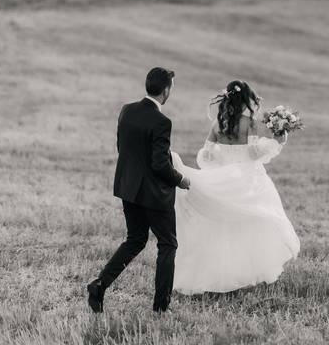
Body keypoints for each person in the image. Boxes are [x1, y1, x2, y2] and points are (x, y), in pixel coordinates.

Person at [169, 80, 299, 294]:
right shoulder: (250, 123)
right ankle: (246, 273)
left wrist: (222, 166)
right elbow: (254, 153)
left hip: (223, 180)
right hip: (247, 180)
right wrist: (278, 142)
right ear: (246, 99)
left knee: (221, 229)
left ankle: (219, 275)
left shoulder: (217, 124)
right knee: (251, 224)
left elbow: (206, 155)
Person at [86, 67, 190, 313]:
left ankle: (99, 285)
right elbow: (159, 164)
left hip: (129, 188)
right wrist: (180, 179)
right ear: (166, 91)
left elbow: (122, 146)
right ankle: (161, 307)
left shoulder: (127, 110)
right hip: (154, 195)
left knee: (135, 239)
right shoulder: (162, 121)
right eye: (171, 88)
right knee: (167, 245)